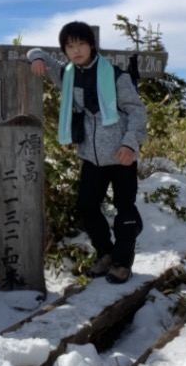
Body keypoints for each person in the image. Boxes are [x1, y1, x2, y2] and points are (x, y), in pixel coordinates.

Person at [28, 21, 147, 284]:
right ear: (66, 51)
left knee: (124, 208)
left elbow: (137, 110)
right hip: (91, 156)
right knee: (86, 207)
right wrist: (36, 57)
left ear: (91, 45)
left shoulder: (116, 75)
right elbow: (38, 53)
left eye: (81, 43)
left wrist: (129, 144)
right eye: (70, 46)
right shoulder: (68, 75)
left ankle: (123, 262)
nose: (76, 50)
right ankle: (105, 253)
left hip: (120, 154)